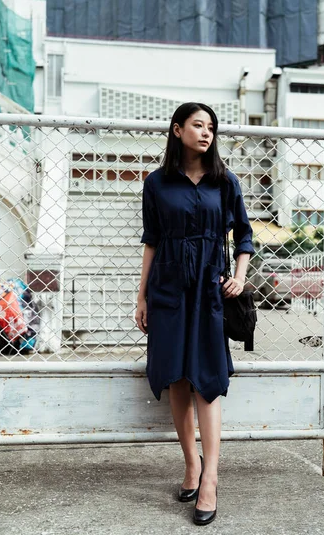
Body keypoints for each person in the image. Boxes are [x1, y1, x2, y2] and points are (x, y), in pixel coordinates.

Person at [135, 102, 254, 526]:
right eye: (198, 125)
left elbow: (244, 235)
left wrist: (238, 277)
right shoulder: (156, 183)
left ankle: (211, 479)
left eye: (211, 127)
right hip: (167, 288)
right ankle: (191, 464)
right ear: (176, 130)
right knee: (176, 379)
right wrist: (141, 297)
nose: (206, 133)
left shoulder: (226, 182)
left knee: (207, 379)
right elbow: (151, 241)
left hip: (208, 289)